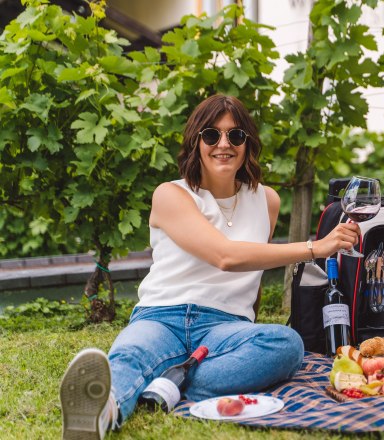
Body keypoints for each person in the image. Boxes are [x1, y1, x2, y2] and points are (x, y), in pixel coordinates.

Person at [59, 94, 360, 439]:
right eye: (211, 135)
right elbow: (226, 256)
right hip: (162, 316)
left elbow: (253, 272)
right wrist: (314, 248)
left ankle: (167, 382)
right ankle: (103, 413)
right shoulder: (171, 194)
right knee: (132, 353)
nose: (223, 144)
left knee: (286, 345)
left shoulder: (267, 201)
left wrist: (247, 323)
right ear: (196, 142)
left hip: (224, 327)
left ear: (247, 144)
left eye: (235, 136)